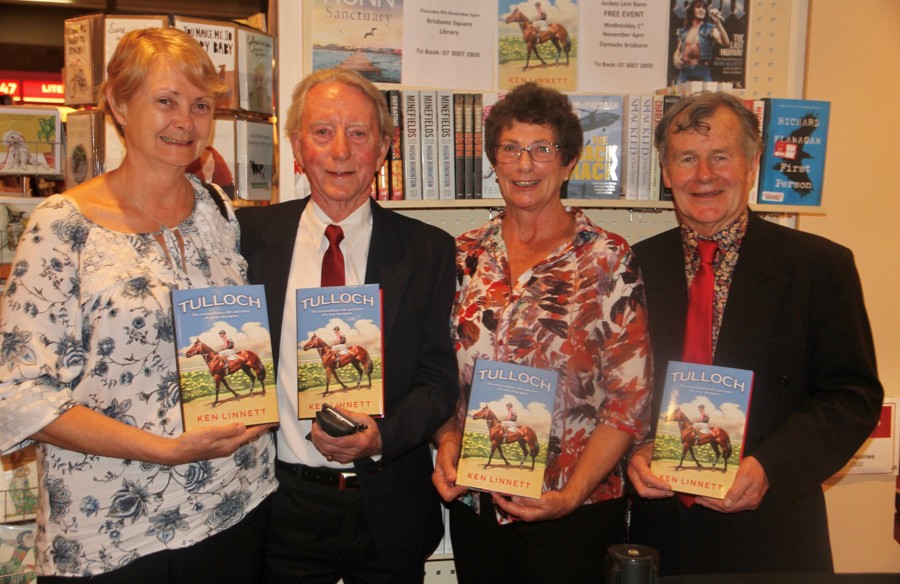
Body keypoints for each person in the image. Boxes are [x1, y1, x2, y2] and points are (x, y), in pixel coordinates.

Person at [0, 28, 276, 582]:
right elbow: (19, 396)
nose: (186, 122)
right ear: (119, 104)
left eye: (201, 106)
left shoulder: (218, 209)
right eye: (165, 101)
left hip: (238, 501)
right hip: (115, 529)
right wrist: (163, 449)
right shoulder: (61, 227)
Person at [626, 91, 883, 575]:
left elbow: (852, 397)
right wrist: (634, 451)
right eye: (687, 158)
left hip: (773, 534)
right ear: (666, 173)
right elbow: (615, 392)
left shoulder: (819, 267)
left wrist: (770, 468)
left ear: (752, 165)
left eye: (721, 156)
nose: (704, 175)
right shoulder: (633, 267)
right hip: (660, 533)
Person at [237, 67, 459, 583]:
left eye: (358, 134)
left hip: (388, 508)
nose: (341, 150)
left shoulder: (428, 249)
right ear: (298, 146)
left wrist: (381, 437)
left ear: (382, 150)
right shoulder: (247, 237)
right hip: (279, 508)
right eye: (323, 132)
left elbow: (438, 379)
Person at [431, 82, 653, 583]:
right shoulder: (463, 256)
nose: (524, 164)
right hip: (478, 504)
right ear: (494, 162)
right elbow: (437, 372)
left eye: (542, 149)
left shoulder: (608, 259)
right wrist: (446, 440)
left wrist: (571, 495)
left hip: (574, 510)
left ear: (569, 162)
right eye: (510, 149)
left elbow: (630, 400)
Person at [673, 0, 729, 83]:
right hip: (685, 70)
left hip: (702, 70)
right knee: (678, 92)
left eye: (704, 8)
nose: (702, 10)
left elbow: (726, 43)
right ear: (692, 10)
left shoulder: (709, 28)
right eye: (698, 7)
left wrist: (718, 23)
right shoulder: (684, 31)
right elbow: (678, 51)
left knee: (708, 92)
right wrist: (675, 58)